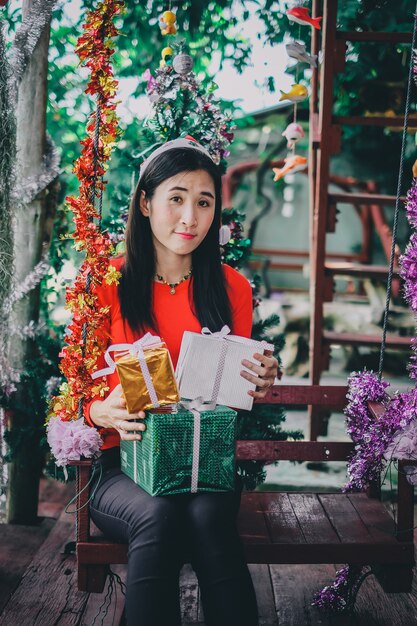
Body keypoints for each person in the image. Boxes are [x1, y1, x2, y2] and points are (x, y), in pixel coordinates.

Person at [85, 137, 279, 626]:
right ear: (146, 203)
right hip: (121, 468)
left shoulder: (231, 287)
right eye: (176, 198)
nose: (190, 217)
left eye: (204, 201)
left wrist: (257, 378)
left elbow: (234, 392)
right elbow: (73, 392)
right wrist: (98, 411)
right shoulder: (104, 284)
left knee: (208, 517)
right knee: (158, 514)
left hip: (201, 463)